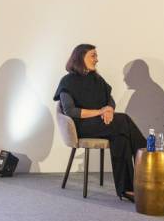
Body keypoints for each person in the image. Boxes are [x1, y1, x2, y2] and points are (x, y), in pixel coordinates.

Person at [54, 44, 147, 202]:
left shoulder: (97, 79)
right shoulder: (67, 81)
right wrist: (100, 112)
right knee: (123, 119)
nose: (97, 59)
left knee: (121, 138)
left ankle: (127, 189)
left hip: (101, 124)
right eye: (93, 55)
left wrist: (109, 109)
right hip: (80, 126)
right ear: (80, 57)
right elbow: (70, 111)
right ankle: (149, 156)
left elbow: (110, 100)